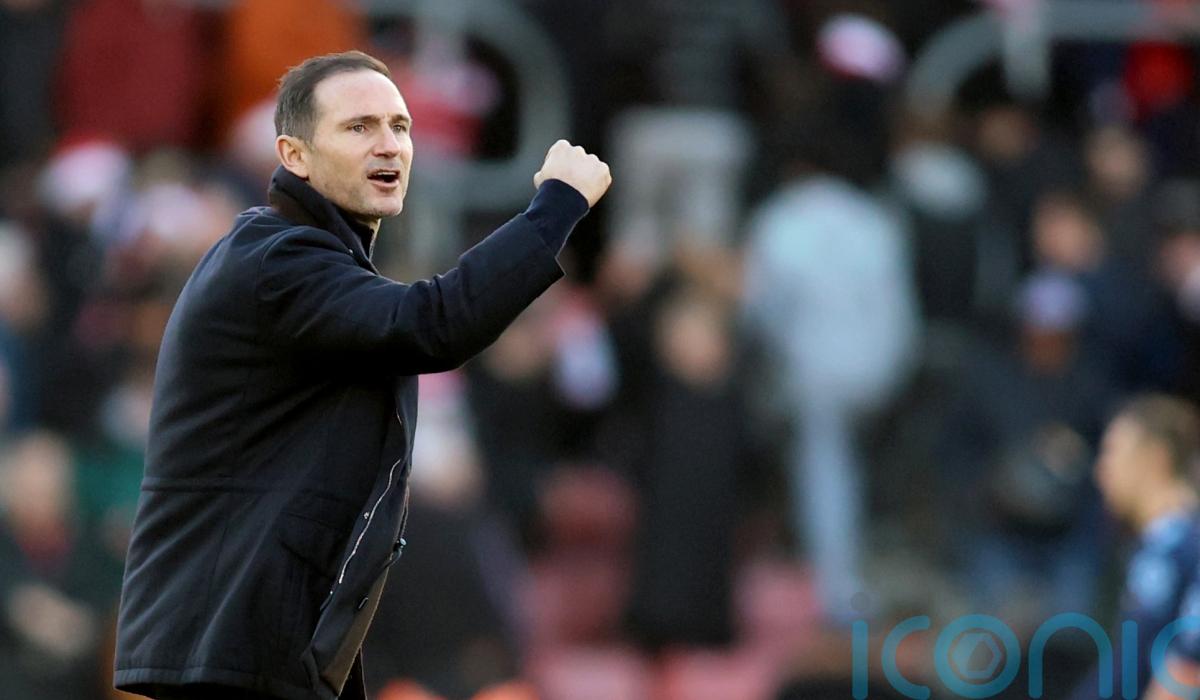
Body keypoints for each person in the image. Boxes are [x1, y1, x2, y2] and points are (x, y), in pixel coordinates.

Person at [113, 50, 611, 700]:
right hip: (232, 645)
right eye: (359, 126)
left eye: (400, 126)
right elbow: (433, 324)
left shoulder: (308, 261)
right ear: (294, 155)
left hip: (261, 645)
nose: (389, 144)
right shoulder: (277, 260)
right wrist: (556, 207)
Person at [1071, 395, 1200, 700]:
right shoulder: (1155, 548)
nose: (1101, 470)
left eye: (1112, 452)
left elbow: (1188, 670)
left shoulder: (1186, 549)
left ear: (1155, 458)